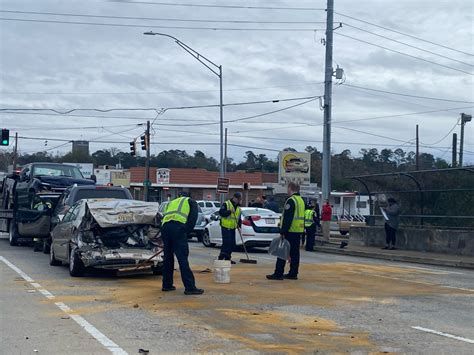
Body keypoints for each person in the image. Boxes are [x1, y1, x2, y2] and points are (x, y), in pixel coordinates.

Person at [161, 192, 204, 295]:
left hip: (165, 228)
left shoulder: (171, 203)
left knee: (168, 258)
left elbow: (163, 217)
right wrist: (185, 232)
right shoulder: (190, 201)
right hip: (178, 228)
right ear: (189, 196)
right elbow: (192, 220)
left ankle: (167, 285)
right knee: (182, 258)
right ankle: (190, 287)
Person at [266, 182, 305, 281]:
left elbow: (288, 218)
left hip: (290, 230)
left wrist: (283, 231)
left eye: (288, 188)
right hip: (298, 230)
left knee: (282, 252)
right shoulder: (301, 200)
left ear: (290, 188)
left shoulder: (291, 201)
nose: (287, 190)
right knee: (295, 253)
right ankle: (293, 273)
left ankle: (278, 273)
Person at [218, 192, 242, 264]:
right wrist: (230, 211)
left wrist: (239, 226)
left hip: (232, 227)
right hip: (225, 226)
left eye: (239, 199)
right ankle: (221, 257)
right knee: (226, 242)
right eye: (238, 199)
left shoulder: (238, 207)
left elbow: (238, 218)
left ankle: (228, 257)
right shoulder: (226, 204)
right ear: (234, 198)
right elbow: (221, 213)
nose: (238, 201)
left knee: (232, 243)